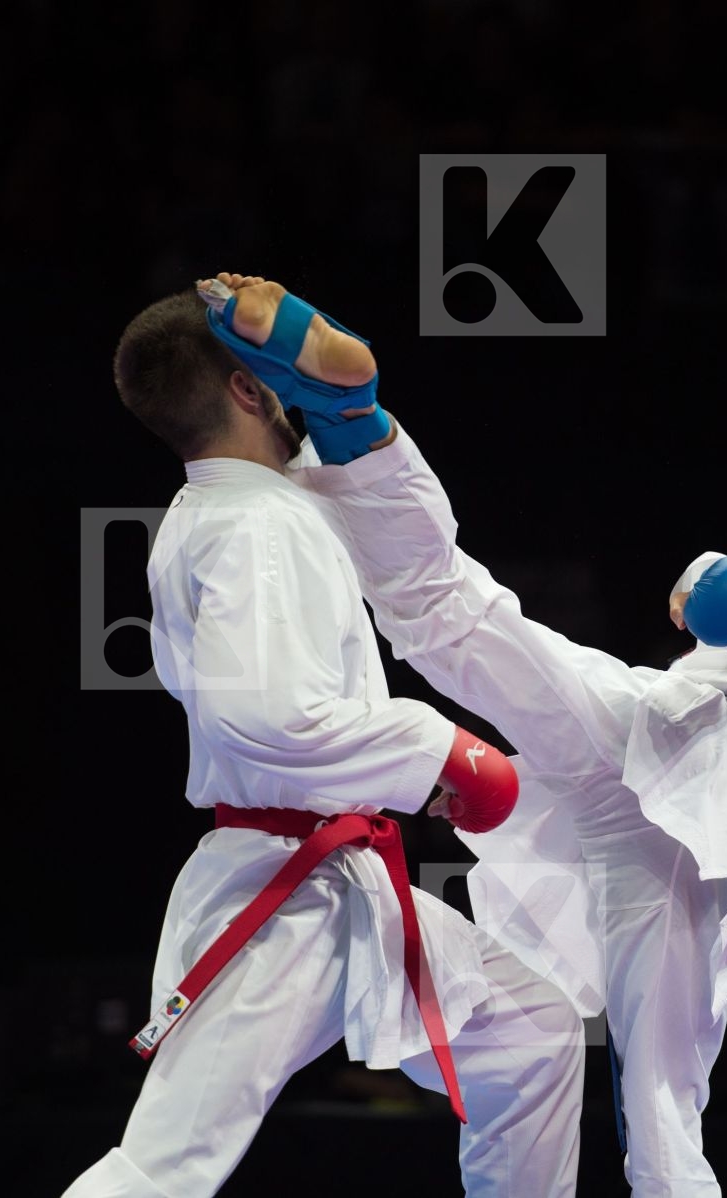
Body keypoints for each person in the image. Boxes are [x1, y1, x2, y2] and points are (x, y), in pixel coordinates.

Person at [205, 274, 727, 1195]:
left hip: (671, 764)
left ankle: (355, 429)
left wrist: (713, 576)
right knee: (666, 1116)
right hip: (714, 844)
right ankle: (350, 423)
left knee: (457, 618)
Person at [61, 286, 584, 1197]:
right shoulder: (254, 527)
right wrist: (438, 753)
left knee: (534, 1035)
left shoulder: (253, 507)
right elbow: (269, 717)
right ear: (250, 389)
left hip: (337, 878)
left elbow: (407, 537)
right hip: (281, 891)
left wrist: (354, 407)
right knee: (165, 1168)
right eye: (275, 367)